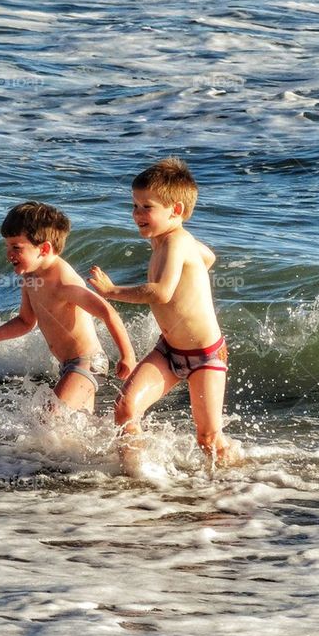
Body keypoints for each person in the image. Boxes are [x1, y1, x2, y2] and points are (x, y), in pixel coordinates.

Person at [88, 157, 240, 473]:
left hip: (206, 356)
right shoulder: (167, 242)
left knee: (208, 438)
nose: (137, 214)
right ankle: (138, 476)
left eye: (147, 207)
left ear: (176, 211)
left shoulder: (176, 241)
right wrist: (194, 274)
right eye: (135, 205)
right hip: (168, 350)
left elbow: (161, 293)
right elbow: (207, 256)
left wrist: (112, 291)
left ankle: (237, 485)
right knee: (126, 408)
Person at [0, 201, 137, 412]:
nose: (9, 253)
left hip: (88, 363)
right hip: (67, 366)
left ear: (44, 248)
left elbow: (108, 312)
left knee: (49, 415)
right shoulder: (31, 278)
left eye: (16, 247)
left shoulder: (63, 281)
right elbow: (26, 321)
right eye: (7, 246)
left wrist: (128, 356)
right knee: (76, 428)